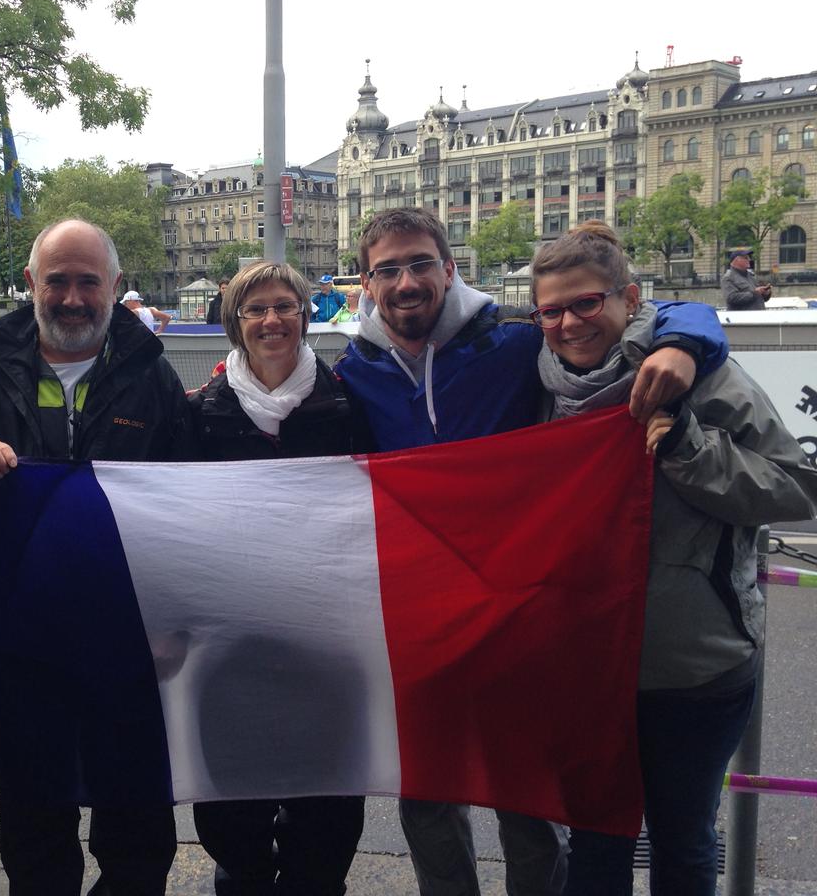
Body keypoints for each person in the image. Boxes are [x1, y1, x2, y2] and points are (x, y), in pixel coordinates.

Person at [333, 208, 729, 896]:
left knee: (528, 800)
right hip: (419, 619)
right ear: (365, 284)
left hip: (520, 611)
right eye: (387, 269)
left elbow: (665, 313)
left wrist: (688, 343)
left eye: (420, 262)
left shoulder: (517, 346)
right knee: (426, 797)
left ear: (450, 268)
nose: (406, 280)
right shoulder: (352, 372)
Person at [530, 221, 817, 896]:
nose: (569, 322)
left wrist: (689, 446)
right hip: (583, 666)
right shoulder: (530, 381)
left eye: (587, 302)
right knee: (596, 843)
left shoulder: (702, 372)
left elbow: (794, 488)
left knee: (683, 841)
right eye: (551, 310)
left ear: (630, 298)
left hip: (694, 664)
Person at [0, 218, 193, 896]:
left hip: (128, 639)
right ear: (32, 283)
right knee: (35, 822)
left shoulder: (150, 371)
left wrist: (179, 620)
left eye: (87, 282)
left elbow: (192, 496)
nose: (72, 298)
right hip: (23, 638)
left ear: (115, 288)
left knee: (137, 823)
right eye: (57, 281)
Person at [189, 259, 370, 895]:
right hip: (228, 647)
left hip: (329, 642)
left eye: (284, 306)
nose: (272, 320)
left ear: (305, 313)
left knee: (329, 807)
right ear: (236, 324)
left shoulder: (349, 405)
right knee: (228, 810)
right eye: (255, 308)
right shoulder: (198, 414)